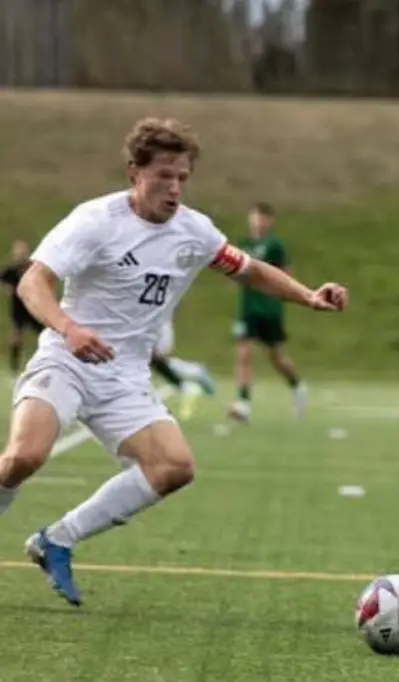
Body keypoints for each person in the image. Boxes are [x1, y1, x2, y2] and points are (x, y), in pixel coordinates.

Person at [1, 117, 348, 606]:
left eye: (183, 176)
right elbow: (32, 282)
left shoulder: (194, 231)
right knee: (23, 457)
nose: (175, 187)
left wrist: (308, 295)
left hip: (124, 377)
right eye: (164, 174)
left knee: (174, 466)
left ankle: (56, 540)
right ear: (134, 174)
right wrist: (69, 329)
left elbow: (249, 271)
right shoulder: (95, 221)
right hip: (67, 359)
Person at [228, 202, 306, 424]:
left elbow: (287, 275)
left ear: (269, 221)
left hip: (270, 308)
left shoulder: (275, 246)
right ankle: (243, 404)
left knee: (277, 357)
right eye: (255, 217)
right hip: (248, 308)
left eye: (263, 218)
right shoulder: (243, 246)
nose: (258, 222)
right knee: (244, 353)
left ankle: (297, 385)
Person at [150, 319, 216, 421]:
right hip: (154, 324)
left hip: (154, 324)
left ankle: (190, 378)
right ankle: (189, 378)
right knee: (152, 360)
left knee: (152, 358)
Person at [1, 240, 45, 373]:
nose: (20, 256)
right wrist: (6, 288)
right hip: (18, 309)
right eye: (18, 253)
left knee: (45, 335)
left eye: (23, 253)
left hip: (33, 307)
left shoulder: (32, 268)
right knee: (16, 337)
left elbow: (44, 280)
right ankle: (14, 367)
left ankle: (43, 361)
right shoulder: (11, 271)